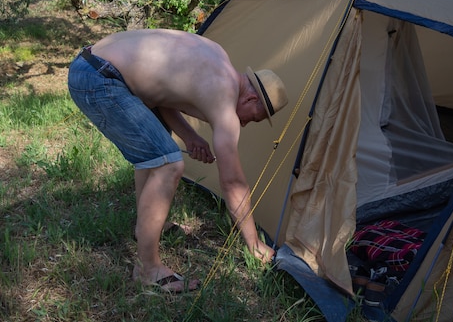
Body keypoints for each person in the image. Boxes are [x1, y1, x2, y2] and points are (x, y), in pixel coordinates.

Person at [67, 29, 288, 293]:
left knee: (156, 153)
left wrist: (190, 136)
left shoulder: (218, 58)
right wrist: (254, 243)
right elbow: (233, 183)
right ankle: (147, 270)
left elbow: (161, 92)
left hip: (93, 62)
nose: (244, 123)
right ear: (251, 98)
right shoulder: (224, 98)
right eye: (253, 117)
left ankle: (144, 228)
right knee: (169, 162)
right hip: (99, 79)